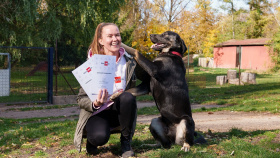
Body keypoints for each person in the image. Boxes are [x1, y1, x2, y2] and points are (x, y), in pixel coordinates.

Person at [73, 22, 145, 157]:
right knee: (99, 137)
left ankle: (126, 143)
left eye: (117, 35)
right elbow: (80, 99)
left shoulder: (129, 62)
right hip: (97, 113)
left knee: (127, 97)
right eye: (110, 36)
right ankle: (92, 141)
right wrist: (95, 104)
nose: (115, 39)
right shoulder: (91, 65)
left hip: (120, 110)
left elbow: (148, 76)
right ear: (100, 41)